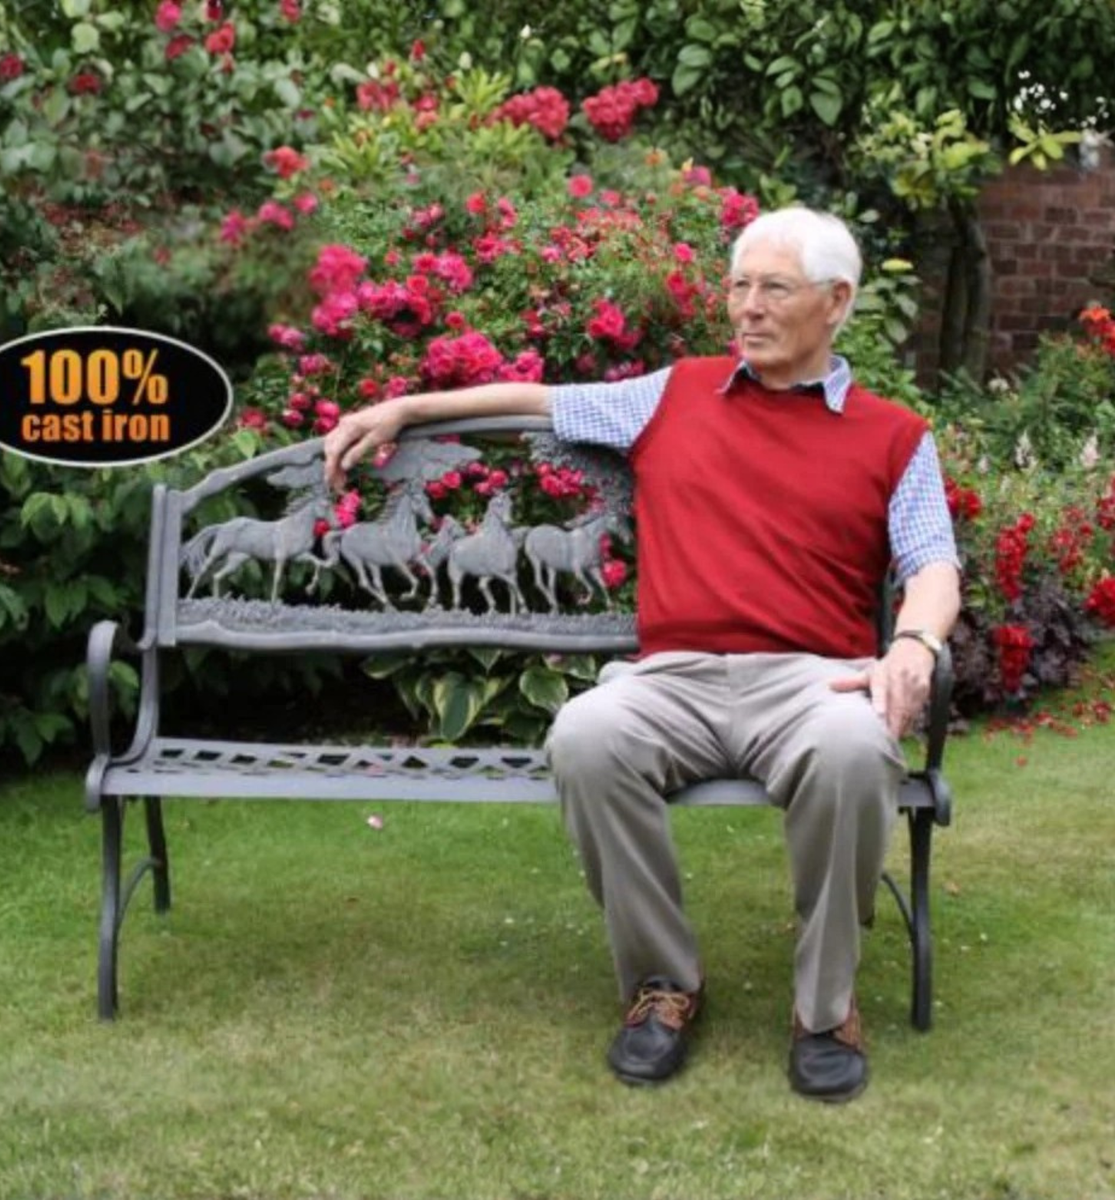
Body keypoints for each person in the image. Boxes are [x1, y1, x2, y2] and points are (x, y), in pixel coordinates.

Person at [323, 207, 960, 1104]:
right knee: (586, 734)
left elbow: (933, 561)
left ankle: (824, 1008)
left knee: (856, 748)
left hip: (813, 682)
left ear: (836, 301)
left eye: (772, 288)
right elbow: (535, 402)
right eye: (737, 286)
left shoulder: (893, 435)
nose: (746, 307)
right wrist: (407, 405)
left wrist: (915, 641)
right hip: (675, 680)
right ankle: (664, 986)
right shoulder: (673, 393)